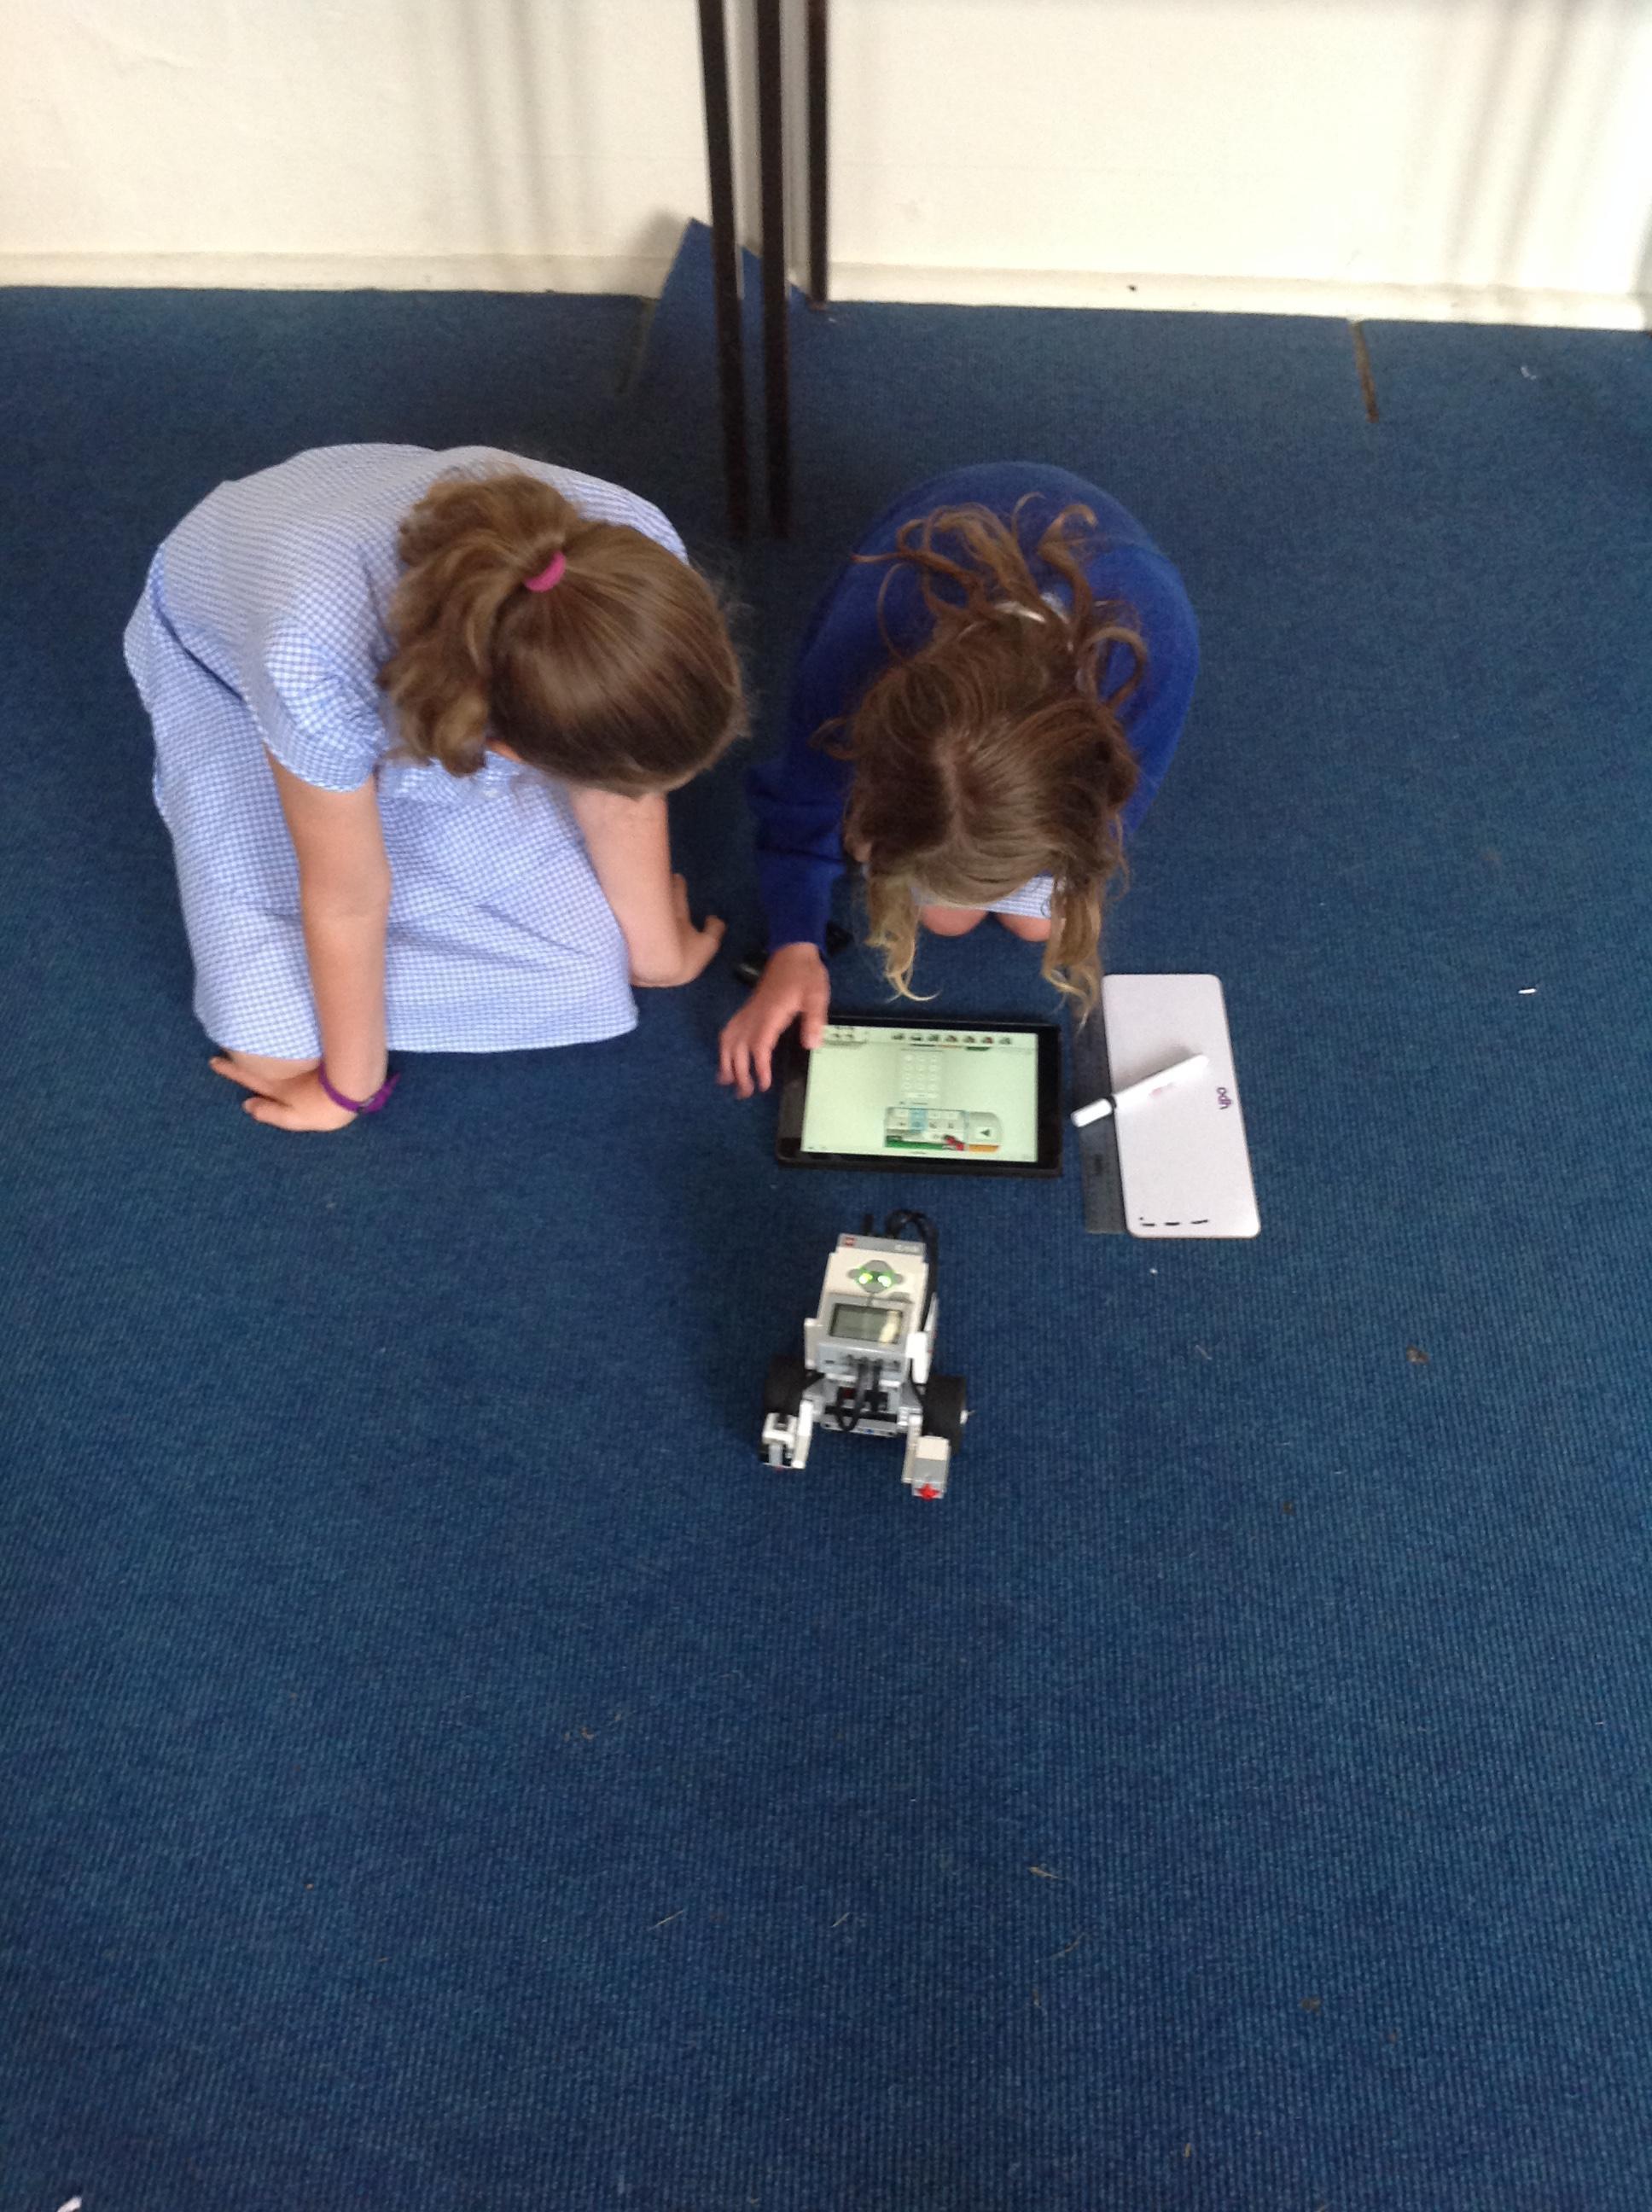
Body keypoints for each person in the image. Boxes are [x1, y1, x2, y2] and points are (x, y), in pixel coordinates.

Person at [125, 445, 743, 1132]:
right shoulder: (306, 658)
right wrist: (349, 1090)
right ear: (503, 746)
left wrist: (659, 954)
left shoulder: (642, 541)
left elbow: (619, 782)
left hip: (376, 603)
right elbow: (346, 896)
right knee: (280, 1057)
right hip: (231, 656)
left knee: (593, 969)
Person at [716, 463, 1198, 1097]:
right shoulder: (853, 646)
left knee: (1029, 924)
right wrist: (794, 942)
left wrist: (1079, 868)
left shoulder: (1157, 640)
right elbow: (804, 797)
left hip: (1108, 578)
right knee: (948, 918)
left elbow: (1126, 793)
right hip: (927, 555)